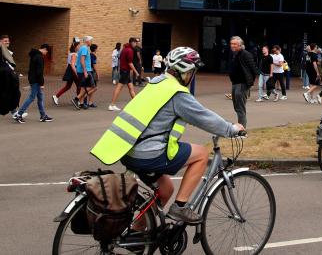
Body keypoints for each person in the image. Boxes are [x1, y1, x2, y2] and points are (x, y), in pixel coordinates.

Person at [90, 47, 244, 224]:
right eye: (193, 71)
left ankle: (140, 234)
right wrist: (231, 129)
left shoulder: (156, 83)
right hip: (149, 154)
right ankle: (179, 208)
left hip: (128, 151)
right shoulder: (177, 93)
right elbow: (203, 117)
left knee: (166, 190)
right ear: (185, 72)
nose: (193, 76)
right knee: (201, 153)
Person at [13, 44, 52, 123]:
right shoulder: (39, 57)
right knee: (32, 97)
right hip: (36, 81)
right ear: (44, 49)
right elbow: (39, 72)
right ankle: (19, 114)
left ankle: (43, 115)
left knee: (40, 98)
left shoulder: (34, 55)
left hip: (33, 79)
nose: (46, 53)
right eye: (47, 51)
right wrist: (41, 83)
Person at [228, 36, 256, 127]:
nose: (232, 45)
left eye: (234, 44)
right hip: (235, 83)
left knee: (240, 108)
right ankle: (241, 127)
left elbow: (253, 69)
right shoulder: (235, 54)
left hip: (242, 84)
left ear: (240, 45)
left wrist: (250, 83)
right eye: (231, 44)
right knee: (237, 107)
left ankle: (242, 130)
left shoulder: (245, 54)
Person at [111, 37, 140, 110]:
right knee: (119, 87)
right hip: (125, 71)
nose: (136, 44)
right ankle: (112, 104)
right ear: (132, 42)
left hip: (124, 71)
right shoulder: (129, 50)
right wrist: (136, 72)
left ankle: (137, 103)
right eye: (135, 43)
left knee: (131, 87)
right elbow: (130, 63)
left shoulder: (124, 49)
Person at [52, 38, 80, 105]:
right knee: (79, 86)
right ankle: (78, 100)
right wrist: (76, 73)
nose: (79, 47)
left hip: (70, 70)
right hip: (73, 70)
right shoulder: (74, 54)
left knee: (68, 86)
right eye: (79, 46)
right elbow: (73, 65)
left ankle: (56, 96)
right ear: (75, 46)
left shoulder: (71, 53)